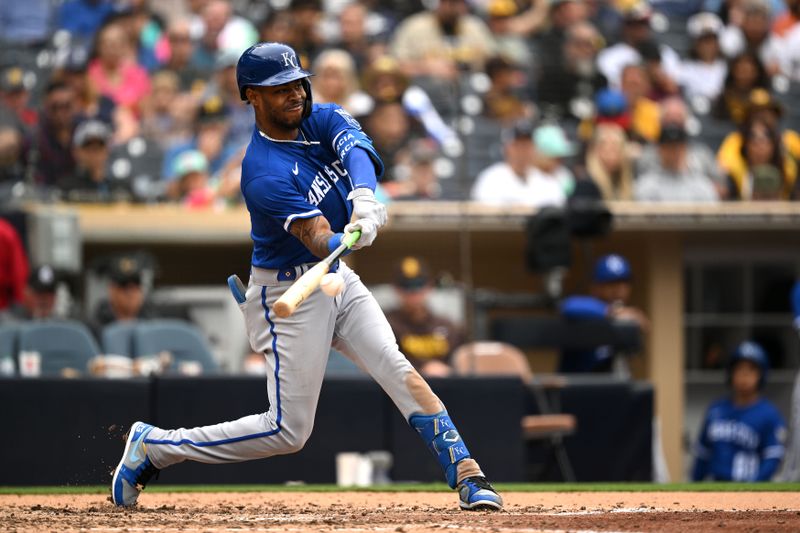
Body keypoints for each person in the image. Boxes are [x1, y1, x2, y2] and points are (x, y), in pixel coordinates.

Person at [110, 42, 503, 512]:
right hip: (287, 291)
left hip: (336, 278)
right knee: (287, 431)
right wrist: (347, 236)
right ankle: (154, 447)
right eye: (280, 88)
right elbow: (316, 238)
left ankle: (466, 473)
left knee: (397, 368)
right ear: (252, 96)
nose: (295, 93)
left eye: (298, 81)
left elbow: (356, 147)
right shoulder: (261, 172)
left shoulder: (317, 116)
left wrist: (363, 198)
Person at [692, 341, 787, 481]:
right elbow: (702, 456)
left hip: (750, 488)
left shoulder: (770, 414)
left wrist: (754, 488)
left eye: (751, 370)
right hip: (717, 486)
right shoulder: (716, 410)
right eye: (739, 369)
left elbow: (772, 458)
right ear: (731, 373)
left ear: (761, 374)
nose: (744, 375)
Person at [558, 253, 648, 374]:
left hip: (611, 387)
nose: (619, 290)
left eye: (624, 283)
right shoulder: (585, 313)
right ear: (595, 287)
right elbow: (568, 306)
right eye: (611, 283)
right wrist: (613, 312)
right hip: (580, 388)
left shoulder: (624, 321)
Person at [386, 256, 464, 377]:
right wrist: (421, 370)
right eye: (406, 286)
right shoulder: (385, 325)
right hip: (402, 388)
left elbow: (462, 363)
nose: (413, 293)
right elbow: (383, 363)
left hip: (447, 388)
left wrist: (449, 370)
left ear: (429, 286)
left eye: (418, 285)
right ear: (396, 288)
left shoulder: (448, 326)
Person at [471, 120, 566, 207]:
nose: (523, 151)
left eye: (527, 145)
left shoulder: (547, 182)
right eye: (518, 145)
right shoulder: (491, 179)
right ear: (507, 148)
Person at [634, 124, 720, 203]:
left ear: (686, 148)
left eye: (678, 147)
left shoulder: (701, 185)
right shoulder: (646, 185)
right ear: (660, 150)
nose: (674, 152)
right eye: (669, 147)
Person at [91, 253, 157, 335]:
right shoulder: (94, 327)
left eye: (136, 285)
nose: (131, 292)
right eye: (124, 285)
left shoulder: (153, 325)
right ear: (111, 289)